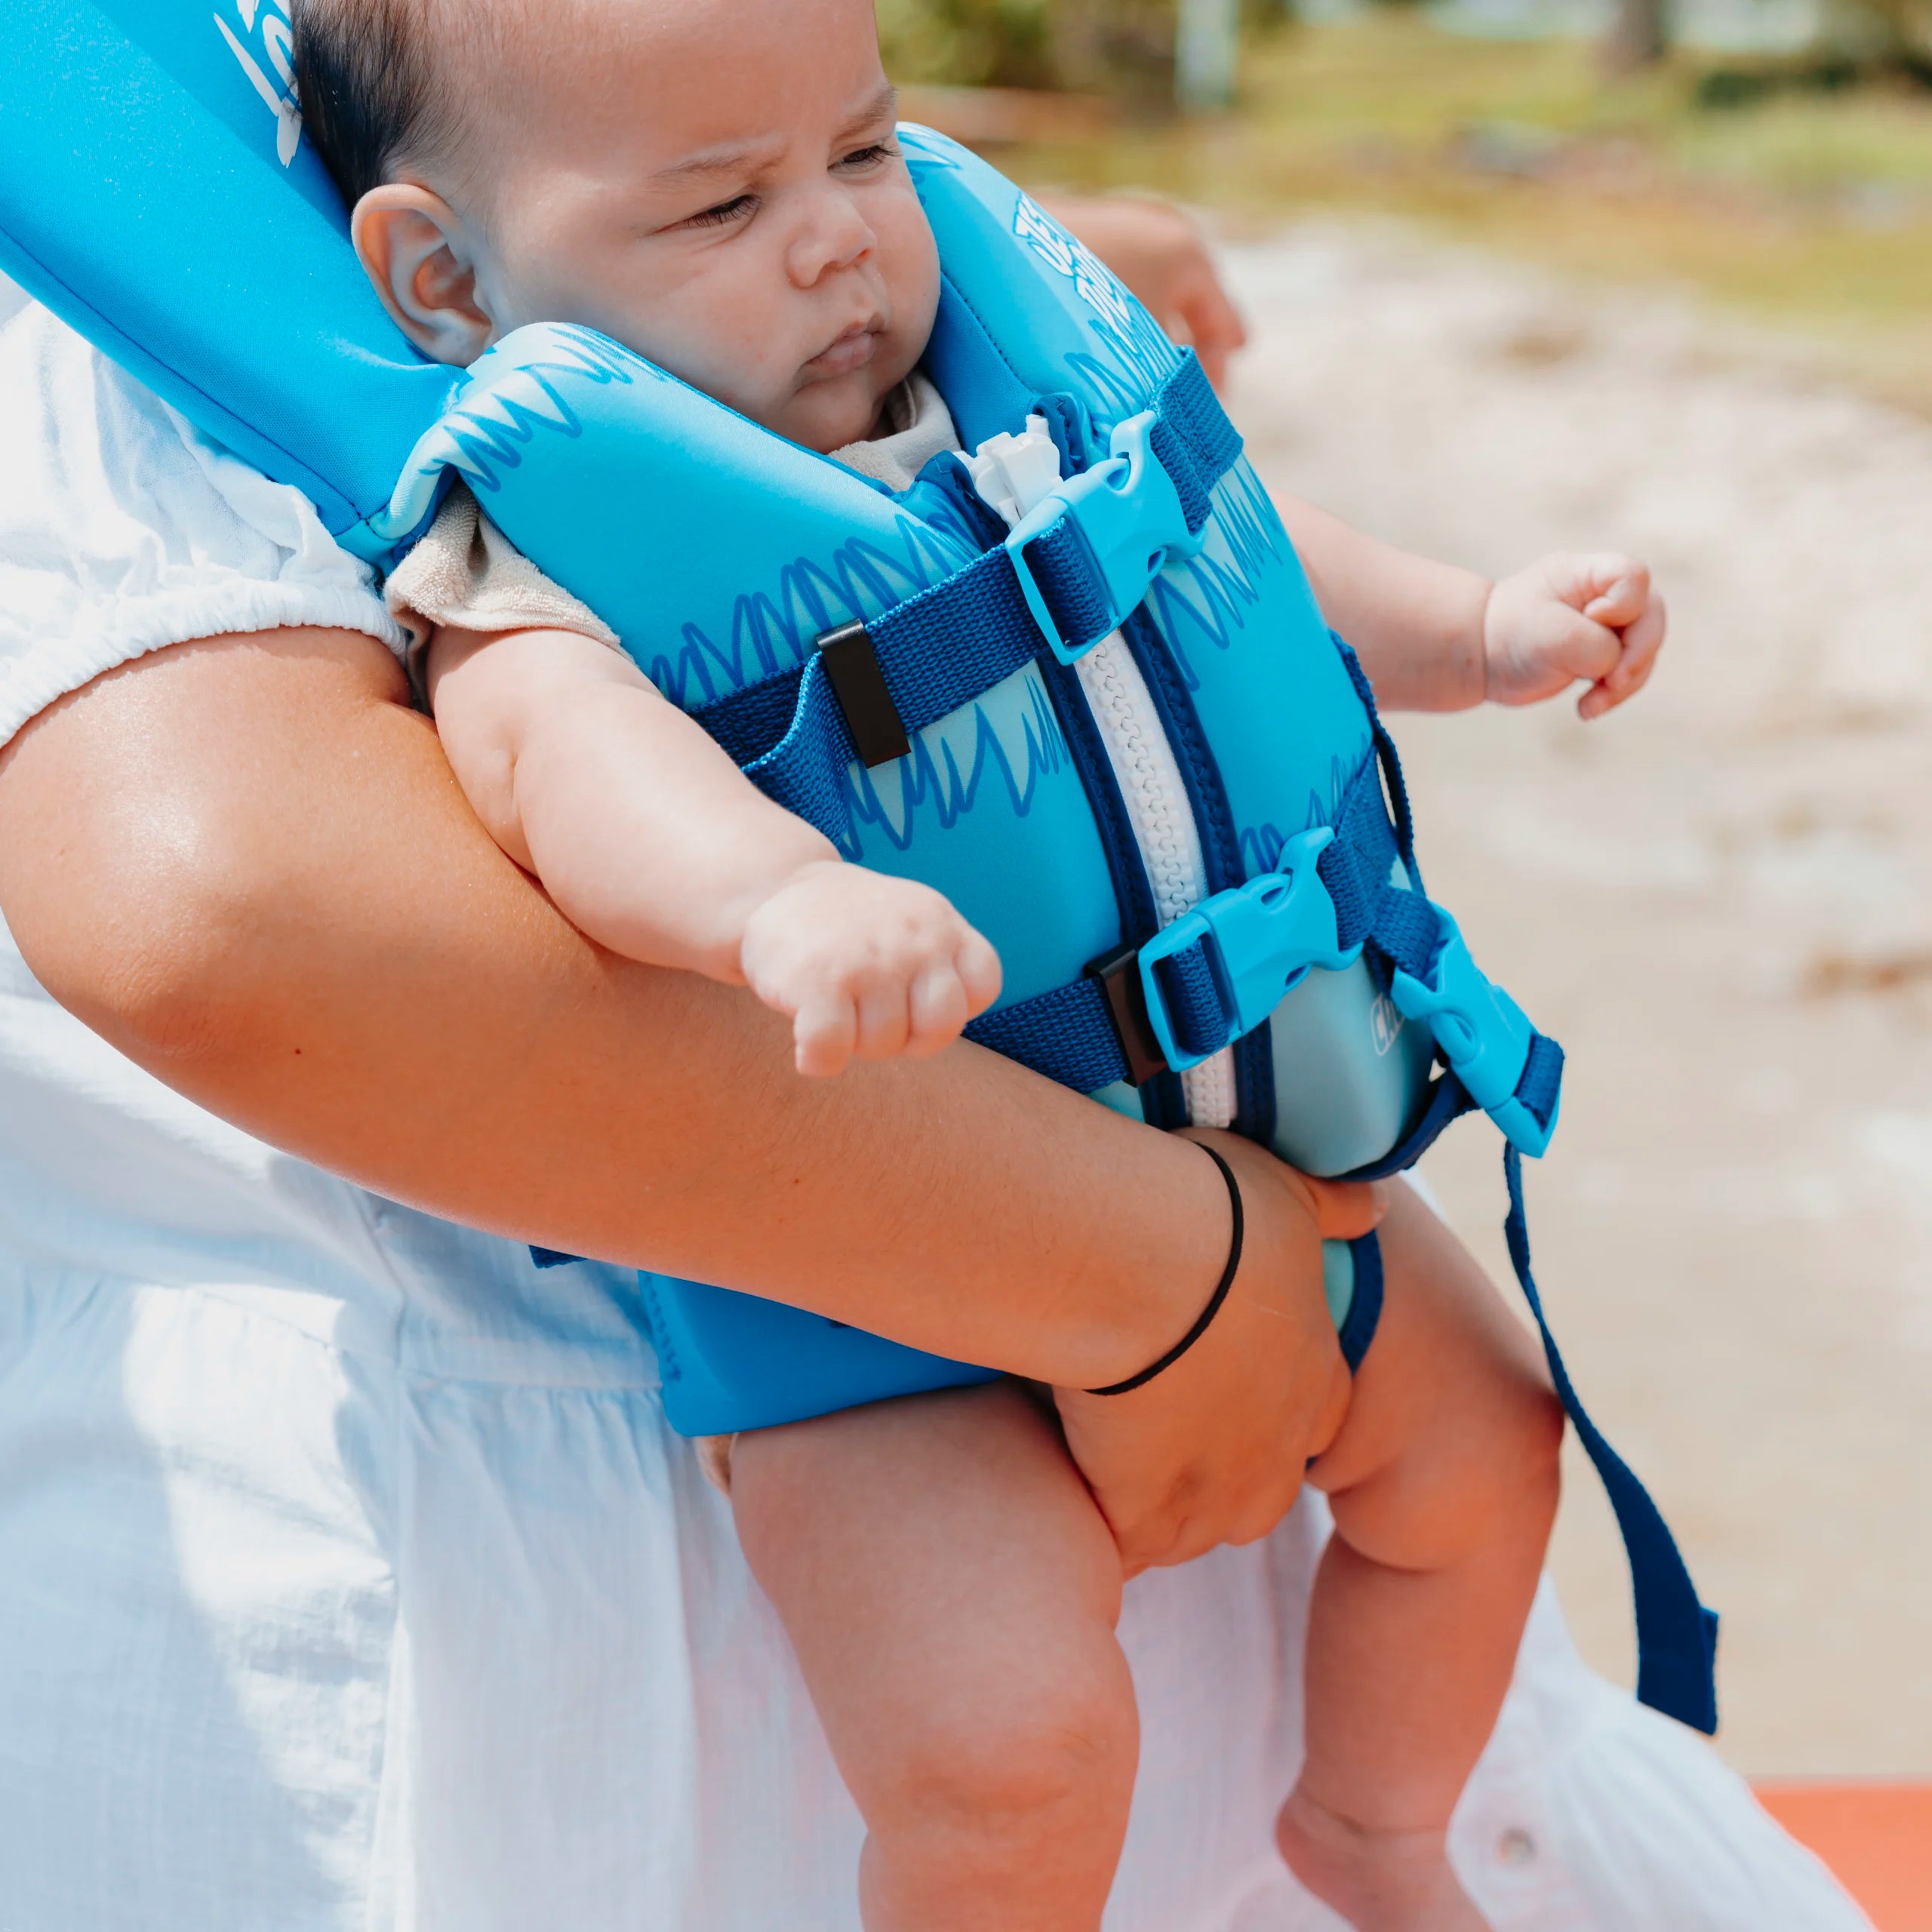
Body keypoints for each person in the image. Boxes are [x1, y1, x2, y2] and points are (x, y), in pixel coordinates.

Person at [0, 66, 1863, 1932]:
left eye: (866, 154)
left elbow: (1218, 551)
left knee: (1487, 1441)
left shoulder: (951, 372)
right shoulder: (512, 521)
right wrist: (776, 901)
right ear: (443, 281)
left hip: (1238, 1142)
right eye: (723, 210)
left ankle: (1375, 1824)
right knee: (1004, 1744)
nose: (830, 235)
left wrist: (1473, 630)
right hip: (856, 1301)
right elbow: (561, 765)